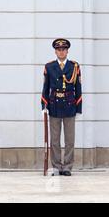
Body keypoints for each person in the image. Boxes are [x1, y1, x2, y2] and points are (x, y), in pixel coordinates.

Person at [41, 38, 82, 176]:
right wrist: (44, 105)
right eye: (59, 50)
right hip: (54, 106)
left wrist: (78, 107)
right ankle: (57, 166)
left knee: (70, 139)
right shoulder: (49, 67)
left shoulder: (74, 66)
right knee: (55, 140)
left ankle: (68, 167)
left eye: (63, 49)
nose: (61, 52)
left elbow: (78, 88)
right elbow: (45, 88)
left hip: (70, 105)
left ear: (67, 51)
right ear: (55, 51)